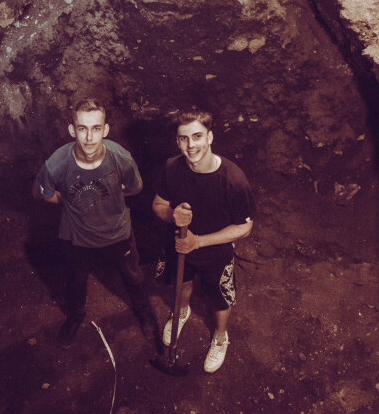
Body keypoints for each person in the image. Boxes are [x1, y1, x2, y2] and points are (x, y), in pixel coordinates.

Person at [33, 98, 159, 350]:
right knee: (75, 281)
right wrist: (67, 200)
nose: (89, 137)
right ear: (72, 130)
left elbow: (135, 187)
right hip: (76, 237)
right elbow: (40, 192)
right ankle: (76, 316)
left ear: (105, 130)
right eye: (82, 128)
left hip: (117, 233)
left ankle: (145, 314)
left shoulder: (120, 158)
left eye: (96, 128)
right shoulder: (58, 163)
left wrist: (111, 195)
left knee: (133, 278)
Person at [152, 109, 255, 373]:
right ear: (178, 142)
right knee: (182, 282)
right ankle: (181, 312)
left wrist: (198, 242)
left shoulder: (233, 181)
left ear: (210, 137)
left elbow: (245, 227)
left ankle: (220, 337)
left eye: (197, 136)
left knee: (220, 298)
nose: (191, 145)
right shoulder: (171, 168)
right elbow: (159, 204)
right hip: (178, 244)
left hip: (214, 251)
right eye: (184, 138)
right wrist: (172, 215)